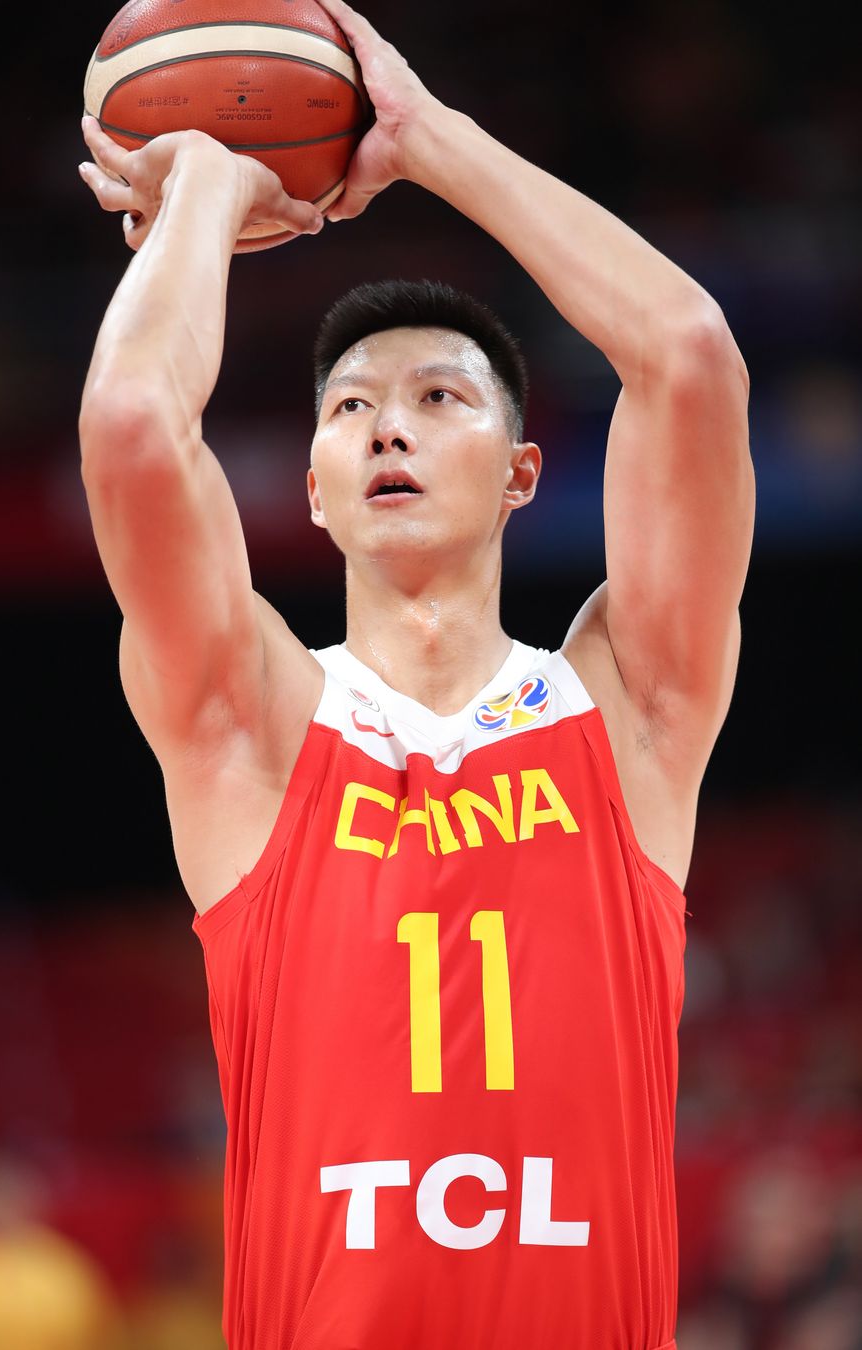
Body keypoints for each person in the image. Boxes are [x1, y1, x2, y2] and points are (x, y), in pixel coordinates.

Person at [77, 1, 753, 1346]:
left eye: (442, 397)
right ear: (312, 490)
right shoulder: (256, 730)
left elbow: (685, 355)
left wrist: (427, 140)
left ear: (521, 475)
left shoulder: (628, 710)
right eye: (352, 407)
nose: (390, 424)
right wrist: (206, 186)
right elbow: (137, 424)